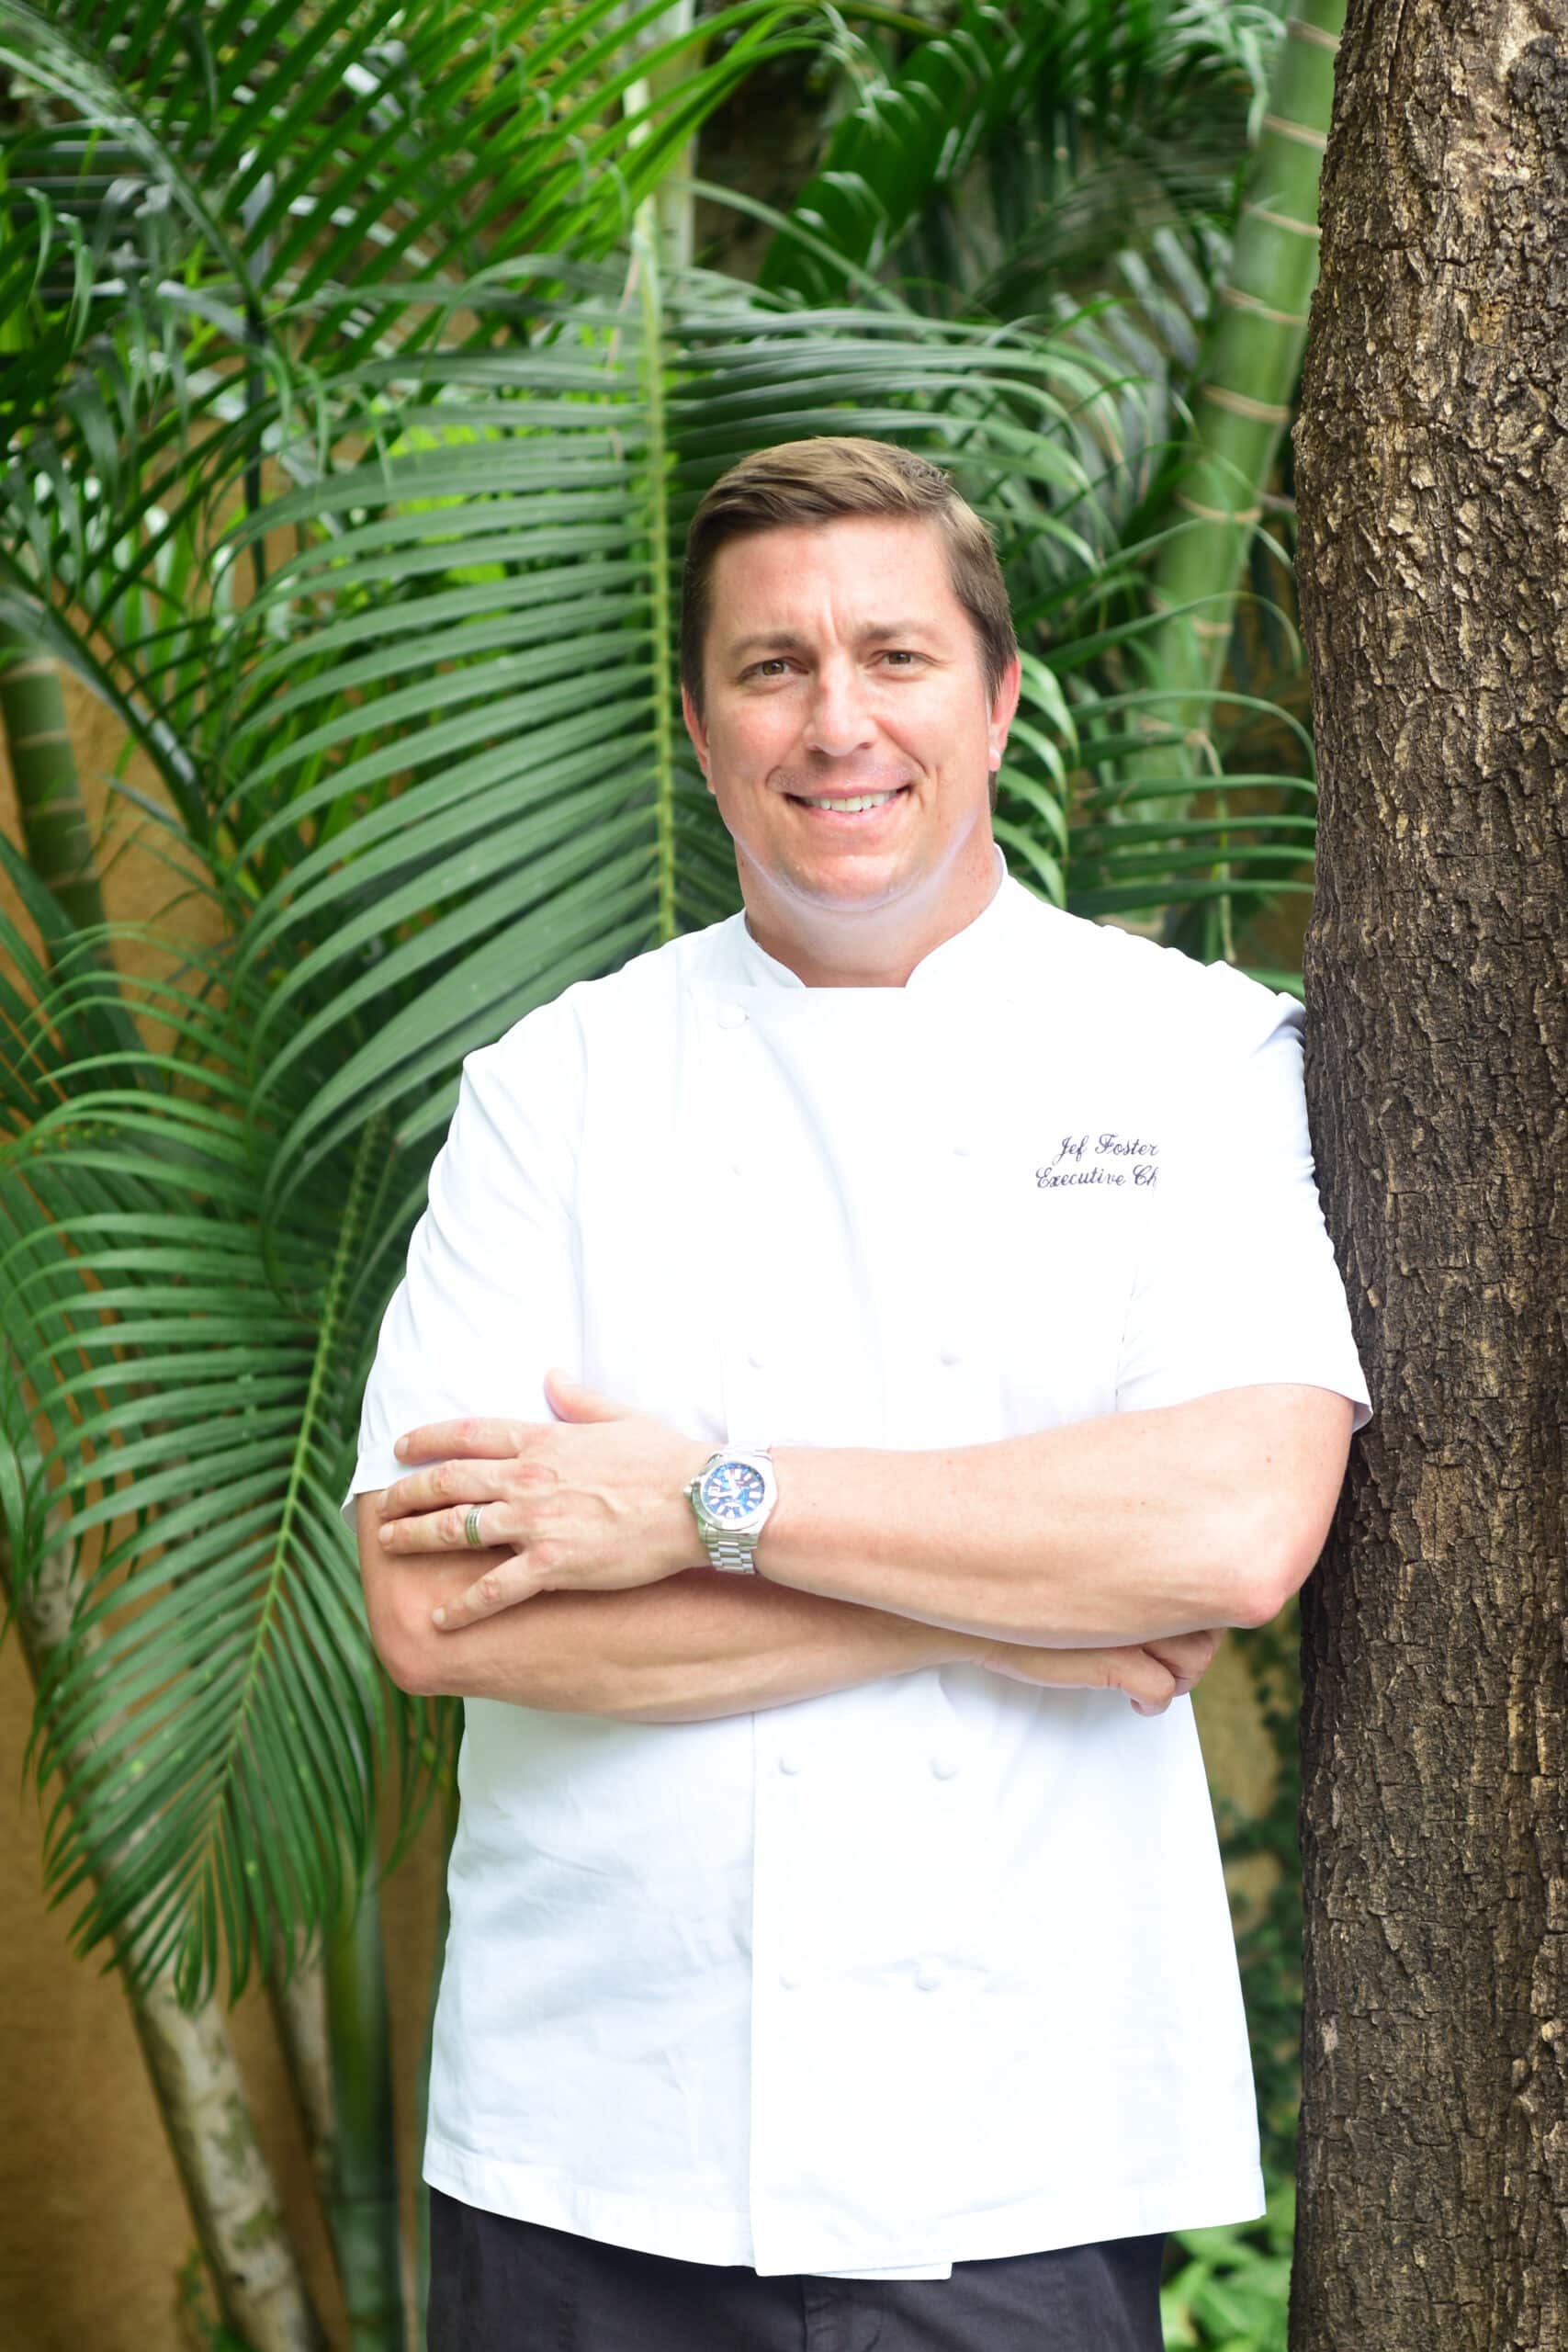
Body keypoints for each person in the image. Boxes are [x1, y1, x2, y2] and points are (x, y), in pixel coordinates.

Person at [348, 435, 1370, 2350]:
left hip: (1022, 2149)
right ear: (698, 723)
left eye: (895, 657)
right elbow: (431, 1606)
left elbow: (1233, 1527)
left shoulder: (1190, 1056)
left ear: (996, 700)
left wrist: (698, 1503)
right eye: (772, 667)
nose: (838, 724)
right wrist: (1003, 1613)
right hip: (591, 2145)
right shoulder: (553, 1089)